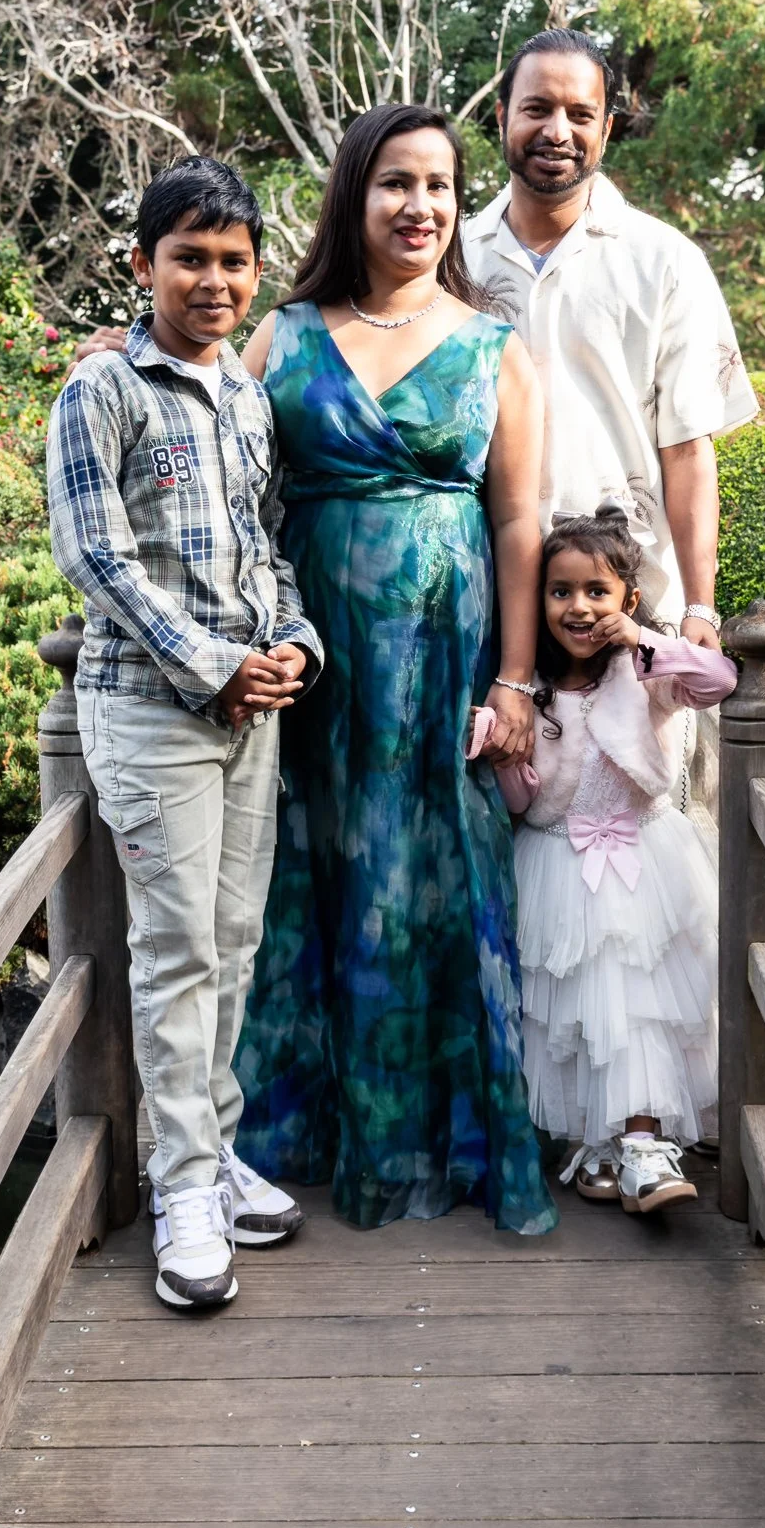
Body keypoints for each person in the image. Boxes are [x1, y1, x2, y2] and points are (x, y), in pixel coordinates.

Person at [229, 101, 558, 1234]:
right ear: (354, 195)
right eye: (395, 183)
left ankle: (435, 1142)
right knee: (312, 869)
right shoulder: (284, 336)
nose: (420, 205)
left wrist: (515, 681)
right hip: (312, 656)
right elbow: (216, 462)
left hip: (444, 659)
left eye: (439, 186)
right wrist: (116, 356)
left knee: (432, 877)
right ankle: (304, 1137)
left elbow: (517, 521)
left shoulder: (494, 346)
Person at [45, 155, 323, 1313]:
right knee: (176, 951)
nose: (213, 280)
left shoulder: (247, 398)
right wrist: (213, 664)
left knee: (234, 940)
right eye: (189, 258)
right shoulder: (102, 390)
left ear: (257, 270)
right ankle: (181, 1189)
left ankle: (211, 1151)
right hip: (153, 709)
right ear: (142, 264)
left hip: (252, 710)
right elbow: (96, 555)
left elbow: (266, 548)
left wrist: (293, 641)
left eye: (233, 260)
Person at [463, 28, 759, 690]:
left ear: (607, 127)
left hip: (632, 601)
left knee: (639, 760)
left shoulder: (666, 261)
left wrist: (700, 607)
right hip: (482, 597)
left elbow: (688, 445)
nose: (557, 131)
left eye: (580, 113)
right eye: (537, 108)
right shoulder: (453, 260)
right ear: (502, 115)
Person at [476, 505, 737, 1211]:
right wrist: (503, 754)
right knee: (574, 1017)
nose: (580, 607)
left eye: (597, 591)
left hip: (644, 859)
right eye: (560, 591)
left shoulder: (644, 670)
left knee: (641, 1005)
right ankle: (595, 1140)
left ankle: (646, 1146)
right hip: (559, 864)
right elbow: (526, 802)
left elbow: (718, 681)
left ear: (627, 596)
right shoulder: (530, 692)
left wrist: (645, 637)